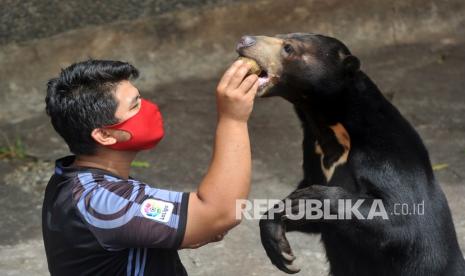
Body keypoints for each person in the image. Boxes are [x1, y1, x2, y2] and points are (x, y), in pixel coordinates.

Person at [42, 59, 258, 275]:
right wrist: (233, 119)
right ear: (105, 135)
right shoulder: (101, 201)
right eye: (135, 105)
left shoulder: (74, 179)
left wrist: (193, 228)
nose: (149, 107)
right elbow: (219, 214)